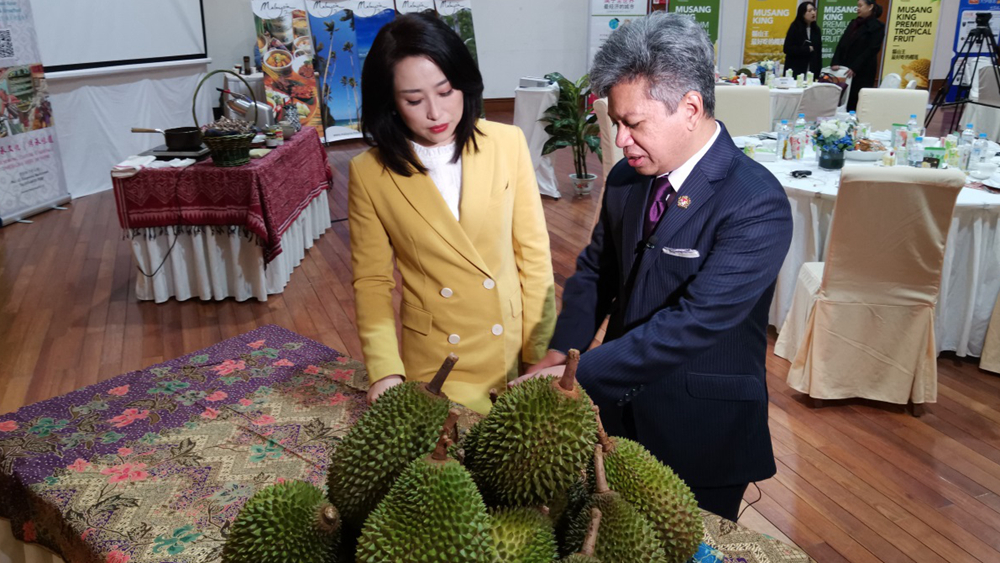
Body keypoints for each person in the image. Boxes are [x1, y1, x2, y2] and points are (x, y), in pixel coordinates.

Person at [518, 12, 793, 522]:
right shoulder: (628, 178)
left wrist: (573, 376)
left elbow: (694, 322)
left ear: (690, 108)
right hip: (618, 415)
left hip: (702, 430)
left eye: (633, 124)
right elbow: (597, 272)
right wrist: (561, 349)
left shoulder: (756, 201)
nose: (619, 141)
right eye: (615, 123)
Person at [348, 11, 556, 415]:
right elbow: (372, 281)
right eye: (413, 100)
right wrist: (384, 370)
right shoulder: (369, 172)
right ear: (390, 102)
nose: (435, 112)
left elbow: (534, 256)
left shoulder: (507, 144)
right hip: (436, 358)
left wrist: (541, 351)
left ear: (463, 82)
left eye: (445, 92)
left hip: (509, 346)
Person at [831, 0, 886, 111]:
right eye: (857, 6)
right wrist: (835, 61)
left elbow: (872, 49)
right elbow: (842, 43)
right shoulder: (854, 23)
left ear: (870, 7)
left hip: (863, 70)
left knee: (857, 101)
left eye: (861, 6)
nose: (858, 8)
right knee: (842, 99)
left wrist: (855, 66)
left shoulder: (878, 26)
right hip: (846, 68)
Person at [783, 2, 822, 78]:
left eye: (814, 10)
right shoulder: (795, 28)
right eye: (810, 11)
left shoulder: (816, 30)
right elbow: (787, 49)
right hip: (796, 68)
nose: (813, 13)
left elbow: (818, 52)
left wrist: (818, 70)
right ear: (802, 13)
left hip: (811, 70)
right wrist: (806, 49)